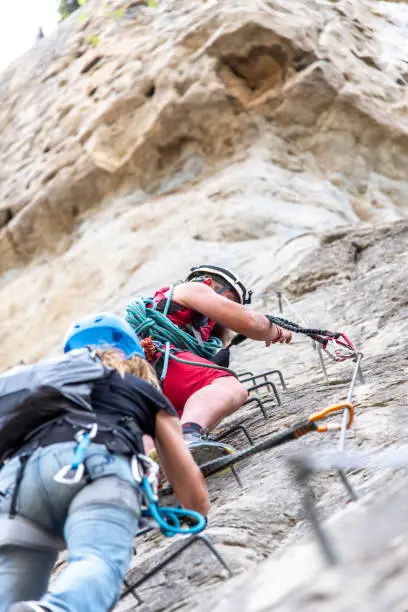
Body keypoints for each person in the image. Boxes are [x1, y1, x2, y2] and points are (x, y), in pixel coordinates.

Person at [0, 313, 209, 612]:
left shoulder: (47, 384)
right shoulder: (135, 385)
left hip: (18, 482)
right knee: (97, 558)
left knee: (11, 591)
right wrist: (193, 510)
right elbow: (193, 493)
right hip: (95, 463)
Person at [125, 265, 292, 454]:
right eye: (229, 300)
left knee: (166, 421)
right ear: (211, 283)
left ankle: (151, 461)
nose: (229, 309)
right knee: (229, 388)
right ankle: (187, 437)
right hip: (154, 358)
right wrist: (275, 330)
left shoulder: (199, 334)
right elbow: (251, 323)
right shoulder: (193, 289)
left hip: (139, 373)